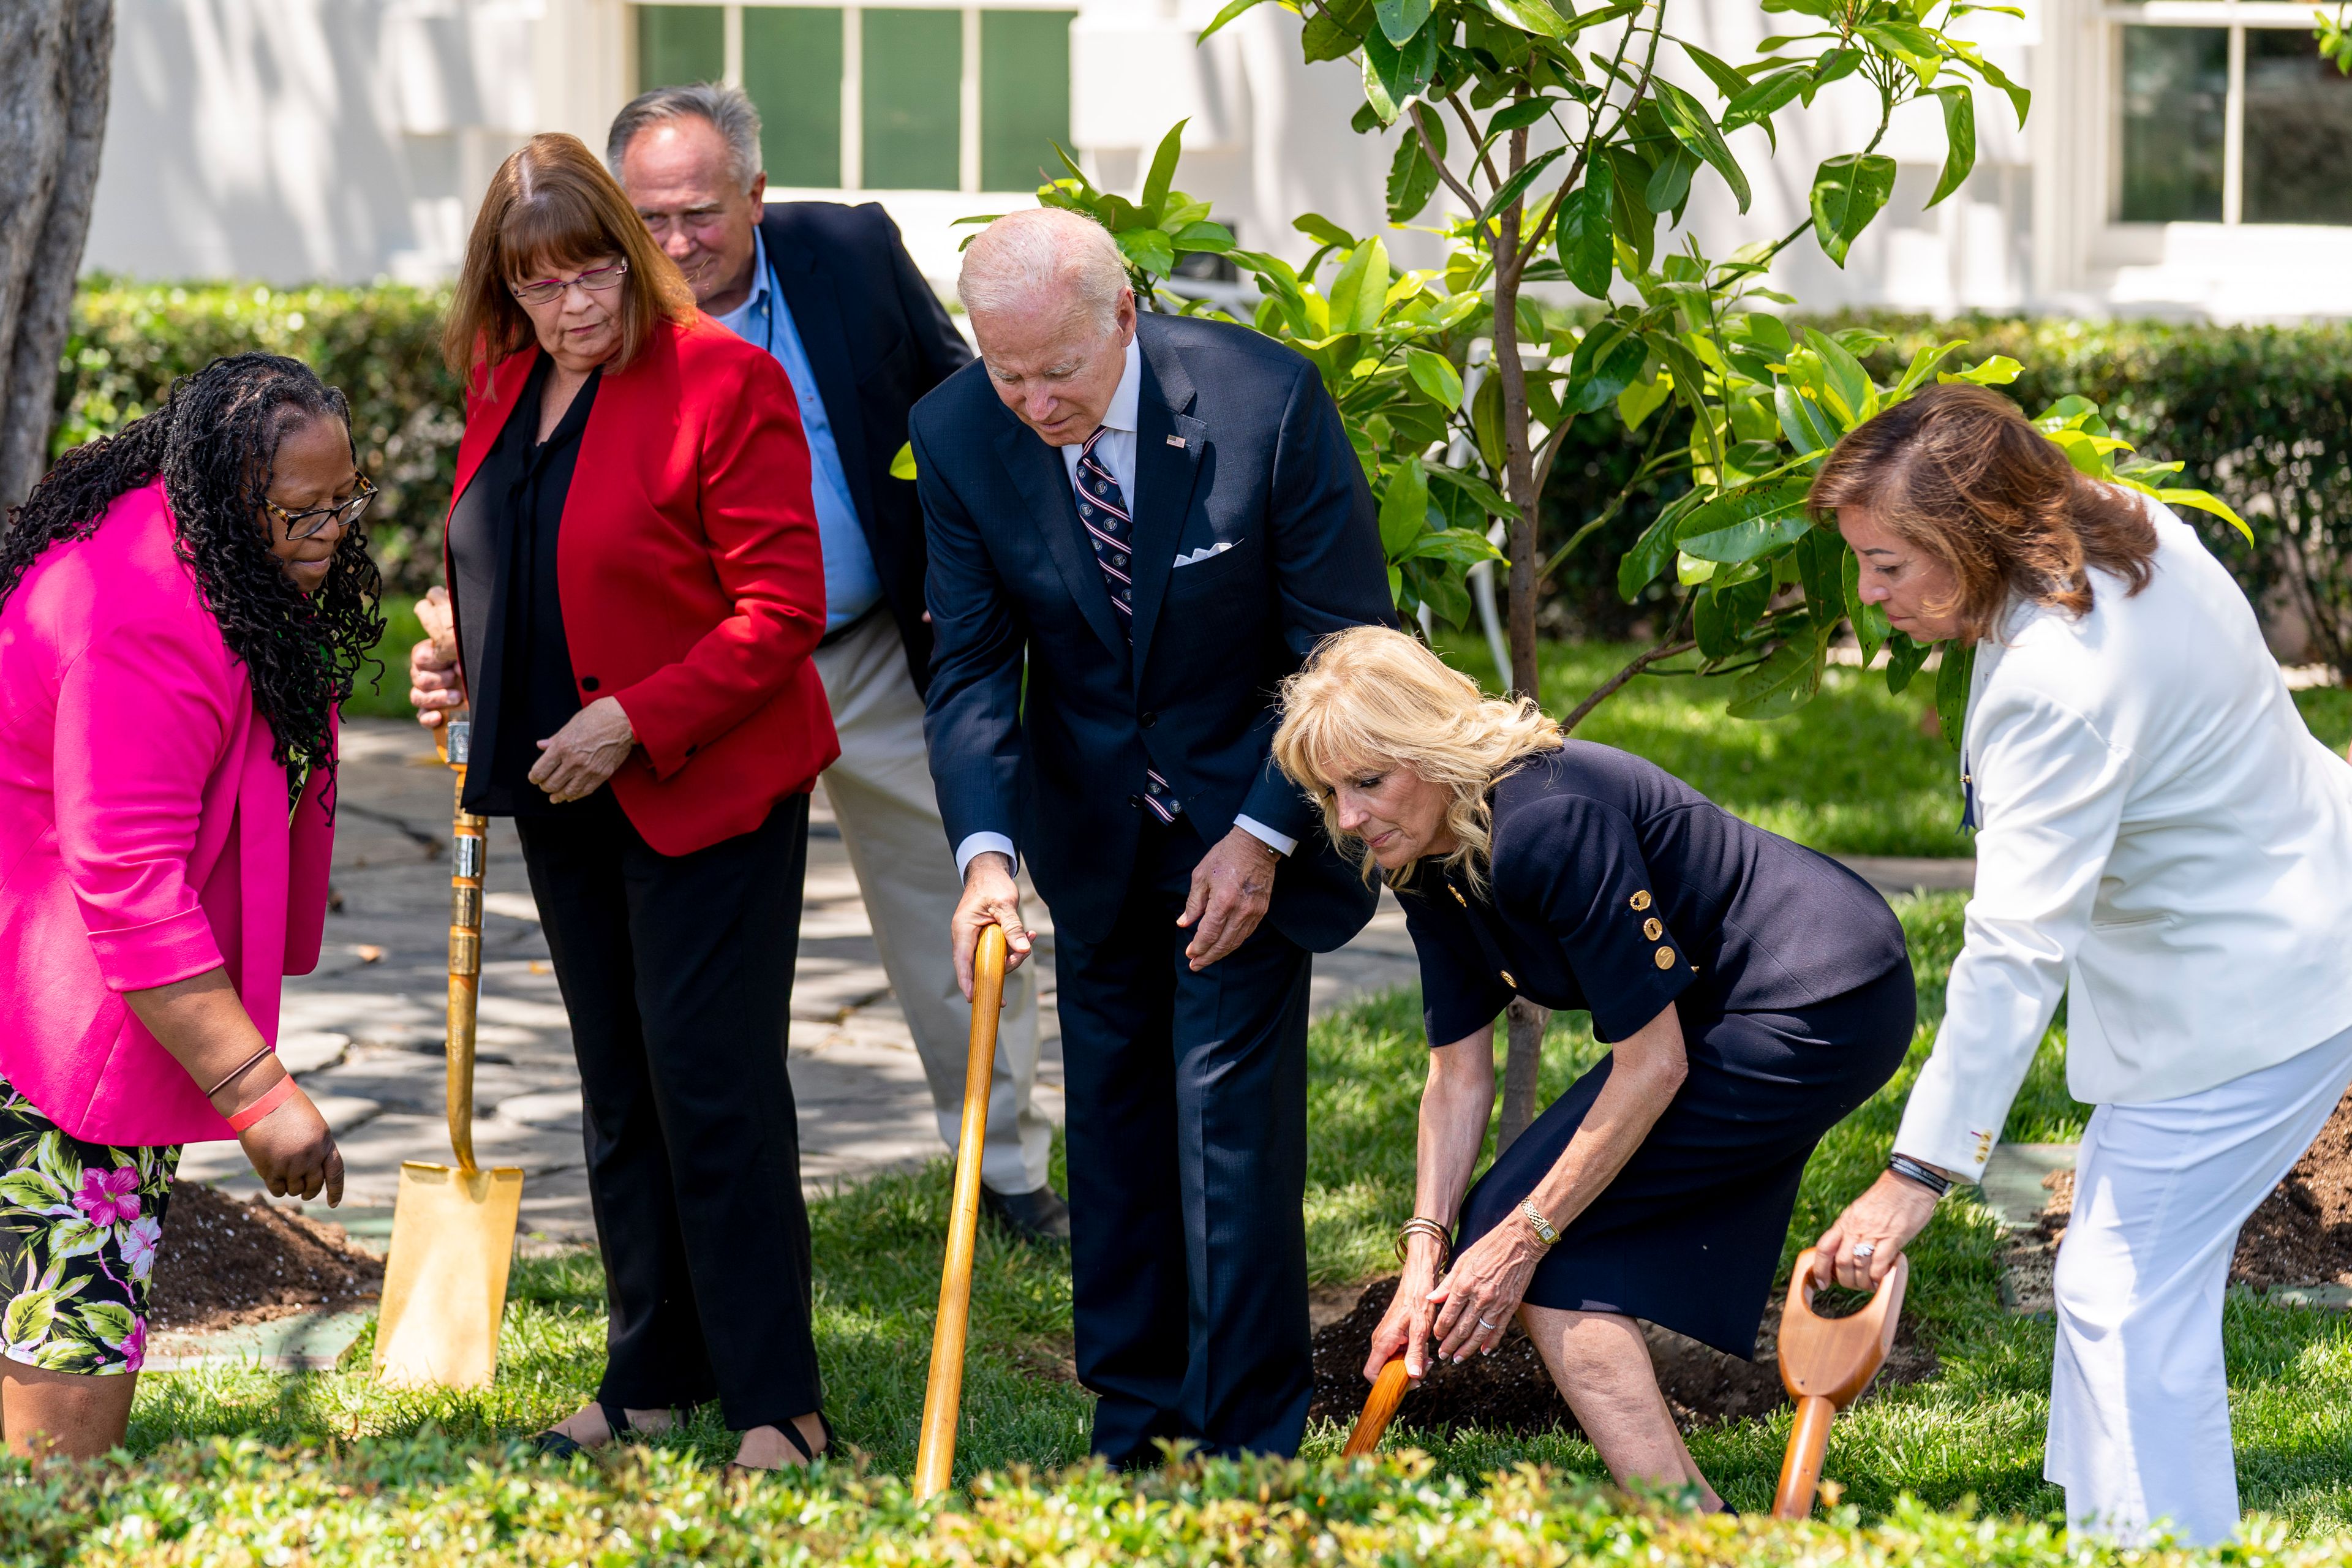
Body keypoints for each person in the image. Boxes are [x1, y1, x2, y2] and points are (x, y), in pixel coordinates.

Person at [1807, 385, 2352, 1545]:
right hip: (2287, 918)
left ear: (1972, 534)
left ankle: (2160, 1544)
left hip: (2253, 992)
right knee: (2120, 1277)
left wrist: (1915, 1178)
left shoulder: (2059, 687)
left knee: (2119, 1295)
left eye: (1889, 562)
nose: (1868, 593)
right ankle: (2113, 1529)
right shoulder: (2117, 520)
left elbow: (2014, 952)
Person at [914, 207, 1394, 1461]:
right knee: (1117, 1128)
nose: (1030, 401)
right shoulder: (958, 430)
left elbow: (1340, 646)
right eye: (1004, 371)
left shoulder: (1264, 400)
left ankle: (1247, 1441)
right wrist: (985, 855)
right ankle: (1135, 1422)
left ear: (1124, 312)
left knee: (1222, 1132)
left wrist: (1264, 831)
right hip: (1092, 828)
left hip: (1253, 806)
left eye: (1056, 370)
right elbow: (970, 671)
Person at [405, 133, 839, 1471]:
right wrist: (459, 648)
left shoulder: (725, 377)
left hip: (701, 784)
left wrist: (634, 718)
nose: (577, 307)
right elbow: (513, 552)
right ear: (507, 290)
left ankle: (782, 1402)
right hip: (559, 788)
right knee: (618, 1090)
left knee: (713, 1089)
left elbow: (784, 610)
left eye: (597, 272)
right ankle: (651, 1370)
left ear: (634, 255)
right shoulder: (504, 382)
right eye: (545, 287)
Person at [1268, 625, 1913, 1506]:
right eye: (1330, 792)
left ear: (1430, 750)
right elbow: (1458, 1073)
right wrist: (1426, 1252)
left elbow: (1652, 1067)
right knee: (1518, 1230)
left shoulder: (1548, 821)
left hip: (1825, 992)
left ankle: (1686, 1535)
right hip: (1719, 1007)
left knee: (1542, 1245)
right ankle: (1702, 1533)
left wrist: (1522, 1237)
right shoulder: (1424, 854)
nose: (1348, 818)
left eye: (1369, 782)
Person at [599, 83, 1061, 1240]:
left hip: (874, 651)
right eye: (645, 217)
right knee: (712, 951)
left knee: (956, 903)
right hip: (706, 683)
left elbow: (960, 404)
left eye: (700, 213)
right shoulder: (589, 308)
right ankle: (722, 1200)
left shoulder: (850, 251)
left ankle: (1004, 1177)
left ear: (757, 195)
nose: (672, 244)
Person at [0, 353, 367, 1458]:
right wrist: (261, 1095)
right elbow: (127, 878)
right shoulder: (147, 617)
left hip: (74, 972)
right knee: (69, 1316)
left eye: (346, 502)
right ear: (223, 492)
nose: (332, 535)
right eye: (302, 513)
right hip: (64, 998)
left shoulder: (210, 553)